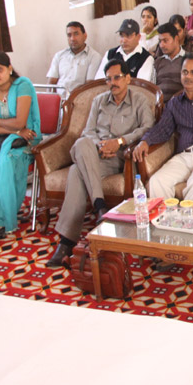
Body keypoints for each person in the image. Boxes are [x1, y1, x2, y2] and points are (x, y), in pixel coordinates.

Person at [47, 59, 155, 266]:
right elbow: (88, 132)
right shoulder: (99, 101)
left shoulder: (139, 100)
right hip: (95, 154)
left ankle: (66, 242)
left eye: (117, 78)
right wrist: (100, 145)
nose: (112, 83)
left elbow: (147, 128)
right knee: (82, 144)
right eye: (108, 79)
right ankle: (100, 206)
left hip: (119, 158)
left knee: (76, 171)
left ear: (128, 78)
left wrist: (119, 142)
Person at [134, 55, 193, 201]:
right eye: (185, 72)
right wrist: (145, 141)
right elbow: (163, 129)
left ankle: (190, 217)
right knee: (157, 181)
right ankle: (166, 216)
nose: (188, 76)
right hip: (184, 156)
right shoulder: (175, 103)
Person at [0, 51, 42, 240]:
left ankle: (3, 220)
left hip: (24, 141)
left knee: (6, 163)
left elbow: (21, 122)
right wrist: (13, 130)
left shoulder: (23, 85)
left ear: (9, 69)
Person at [46, 21, 102, 98]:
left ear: (85, 36)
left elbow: (89, 86)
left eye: (76, 34)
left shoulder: (94, 56)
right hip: (59, 100)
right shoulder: (59, 55)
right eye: (69, 35)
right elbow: (51, 83)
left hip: (79, 101)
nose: (72, 38)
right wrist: (50, 100)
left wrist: (71, 101)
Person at [153, 22, 186, 102]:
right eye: (160, 41)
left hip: (181, 104)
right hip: (160, 105)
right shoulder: (158, 62)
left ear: (176, 39)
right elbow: (152, 87)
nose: (161, 45)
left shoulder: (188, 60)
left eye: (165, 41)